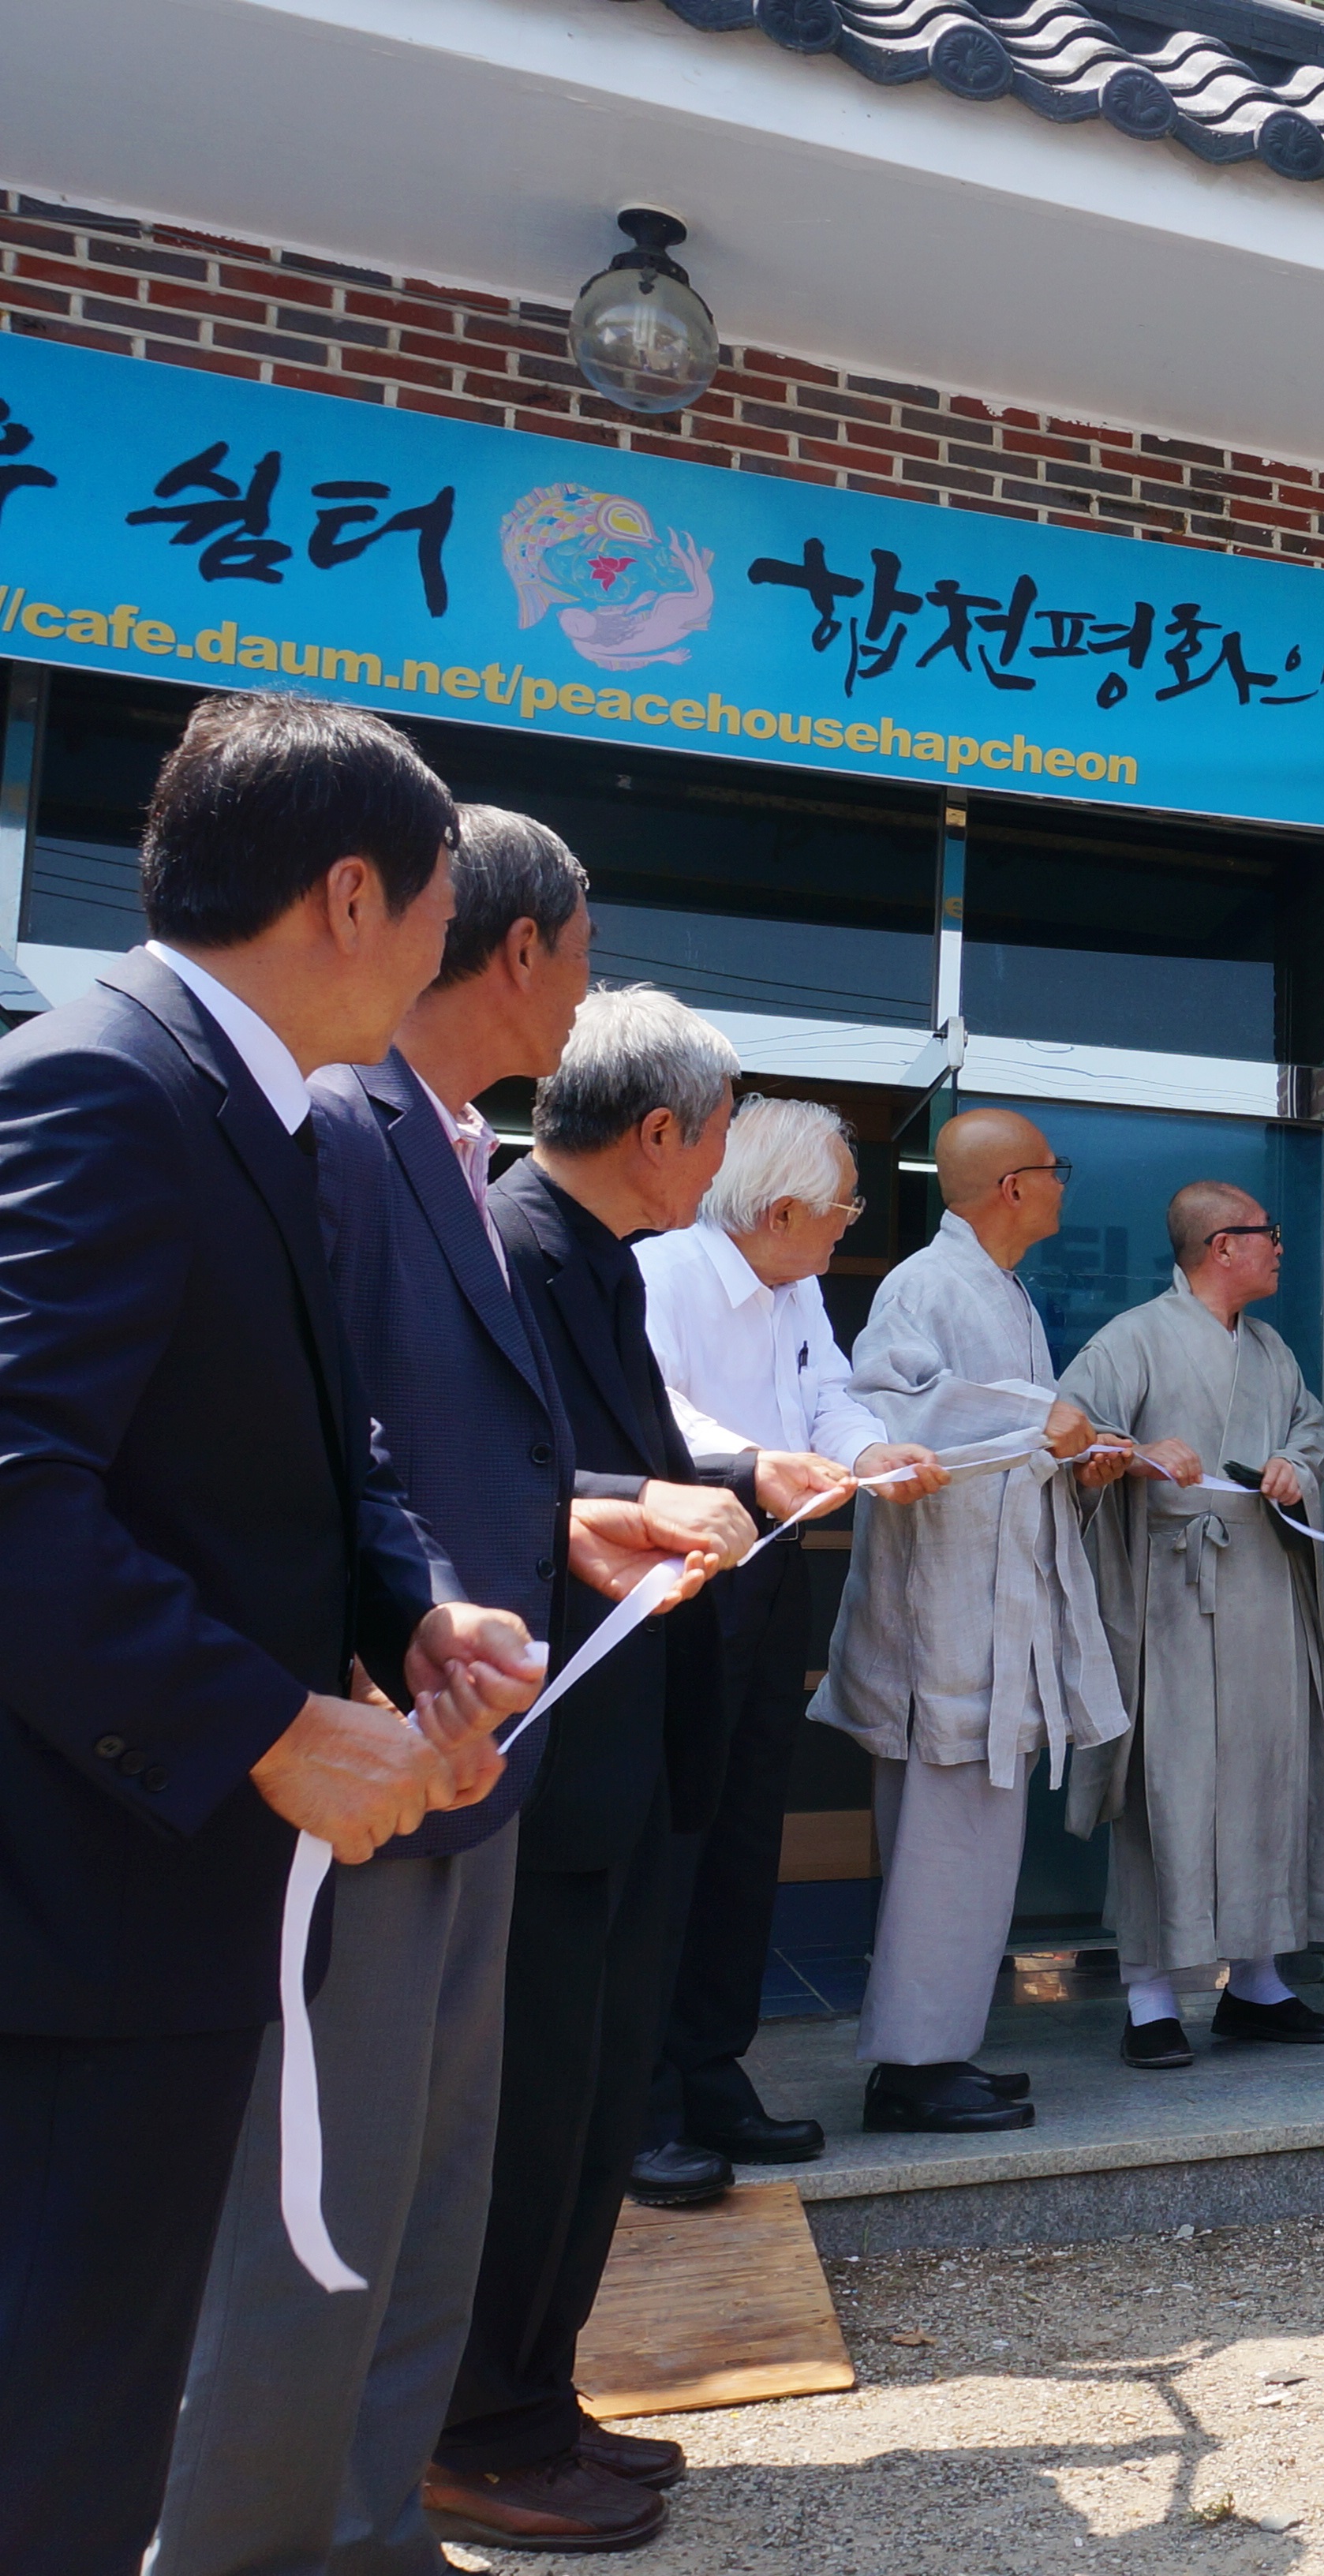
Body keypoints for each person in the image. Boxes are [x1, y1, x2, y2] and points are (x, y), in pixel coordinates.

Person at [156, 811, 742, 2575]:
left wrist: (572, 1515)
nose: (584, 981)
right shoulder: (333, 1129)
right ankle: (278, 2528)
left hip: (473, 1732)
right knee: (318, 2208)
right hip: (374, 1744)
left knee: (425, 2184)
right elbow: (322, 1447)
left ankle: (379, 2517)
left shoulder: (446, 1143)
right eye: (580, 943)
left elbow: (438, 1440)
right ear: (513, 947)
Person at [0, 692, 540, 2575]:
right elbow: (13, 1480)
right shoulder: (107, 1079)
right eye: (440, 907)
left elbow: (314, 1453)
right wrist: (261, 1722)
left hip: (180, 1895)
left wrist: (411, 1615)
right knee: (58, 2428)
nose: (447, 952)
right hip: (80, 1899)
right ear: (345, 896)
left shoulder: (262, 1104)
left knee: (106, 2387)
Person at [432, 987, 817, 2548]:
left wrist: (735, 1472)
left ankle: (540, 2400)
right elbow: (485, 1476)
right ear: (660, 1133)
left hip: (623, 1749)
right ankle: (478, 2428)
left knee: (591, 2105)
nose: (719, 1168)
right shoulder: (512, 1246)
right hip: (553, 1748)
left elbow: (617, 1458)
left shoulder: (598, 1262)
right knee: (529, 2111)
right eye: (719, 1135)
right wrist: (666, 1494)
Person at [634, 1097, 948, 2190]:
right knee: (669, 1838)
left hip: (768, 1575)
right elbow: (654, 1413)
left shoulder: (798, 1286)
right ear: (777, 1211)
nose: (848, 1226)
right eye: (841, 1209)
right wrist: (757, 1465)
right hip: (680, 1578)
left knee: (743, 1828)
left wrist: (880, 1453)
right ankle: (642, 2103)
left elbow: (831, 1398)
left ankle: (714, 2074)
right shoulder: (663, 1271)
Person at [813, 1107, 1135, 2134]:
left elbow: (1011, 1441)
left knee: (975, 1842)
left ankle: (939, 2053)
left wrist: (1074, 1451)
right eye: (1054, 1171)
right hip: (939, 1619)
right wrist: (1034, 1421)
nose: (1061, 1187)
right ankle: (911, 2069)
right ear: (1013, 1187)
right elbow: (888, 1416)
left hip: (989, 1612)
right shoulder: (925, 1285)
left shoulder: (1002, 1293)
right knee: (942, 1843)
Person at [1059, 1181, 1324, 2068]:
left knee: (1273, 1774)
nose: (1277, 1247)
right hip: (1169, 1595)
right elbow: (1071, 1442)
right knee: (1169, 1784)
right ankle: (1150, 1997)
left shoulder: (1271, 1352)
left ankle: (1259, 1983)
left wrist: (1290, 1468)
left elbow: (1308, 1432)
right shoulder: (1131, 1340)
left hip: (1263, 1584)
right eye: (1266, 1236)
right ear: (1222, 1246)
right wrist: (1136, 1455)